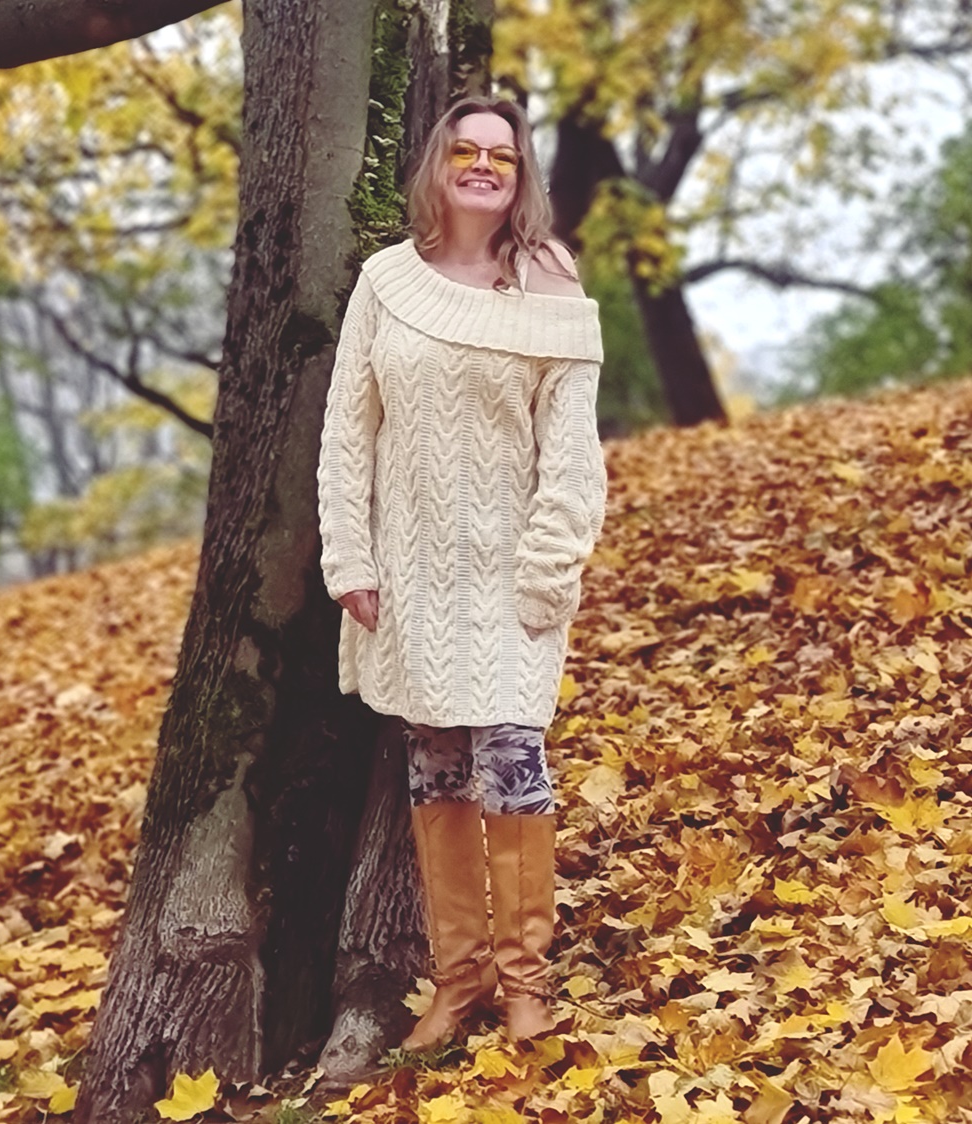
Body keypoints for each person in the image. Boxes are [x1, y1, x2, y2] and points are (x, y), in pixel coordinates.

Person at [317, 95, 606, 1048]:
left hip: (513, 572)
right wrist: (349, 555)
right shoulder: (385, 282)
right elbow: (347, 431)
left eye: (503, 156)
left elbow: (572, 450)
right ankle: (460, 980)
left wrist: (548, 569)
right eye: (466, 151)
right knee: (435, 766)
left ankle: (526, 984)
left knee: (514, 766)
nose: (484, 165)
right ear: (437, 165)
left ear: (522, 178)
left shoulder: (549, 282)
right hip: (410, 574)